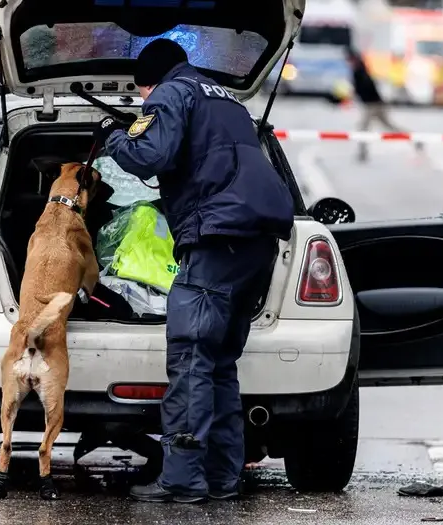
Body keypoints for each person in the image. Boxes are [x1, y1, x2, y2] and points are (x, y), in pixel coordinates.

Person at [92, 38, 294, 504]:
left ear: (149, 82)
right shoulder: (227, 99)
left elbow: (149, 156)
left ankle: (182, 481)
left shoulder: (168, 94)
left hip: (215, 239)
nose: (145, 102)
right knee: (220, 363)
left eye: (142, 95)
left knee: (190, 358)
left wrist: (113, 134)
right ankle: (222, 479)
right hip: (256, 244)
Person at [346, 48, 419, 161]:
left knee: (363, 128)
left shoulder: (359, 71)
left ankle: (362, 152)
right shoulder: (361, 69)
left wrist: (352, 97)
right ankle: (413, 138)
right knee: (387, 127)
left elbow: (362, 88)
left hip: (373, 105)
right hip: (374, 104)